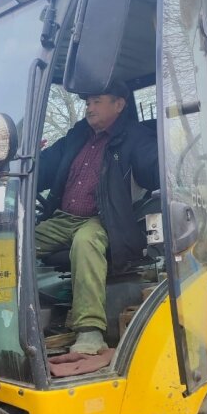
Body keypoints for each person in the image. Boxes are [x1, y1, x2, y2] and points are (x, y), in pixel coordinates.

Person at [36, 80, 158, 355]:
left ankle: (90, 332)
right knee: (15, 244)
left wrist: (163, 164)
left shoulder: (135, 137)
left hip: (104, 220)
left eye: (96, 101)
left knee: (86, 242)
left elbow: (154, 166)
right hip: (62, 218)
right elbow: (45, 164)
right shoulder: (78, 136)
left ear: (119, 104)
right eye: (87, 103)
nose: (89, 108)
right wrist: (15, 167)